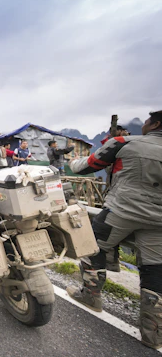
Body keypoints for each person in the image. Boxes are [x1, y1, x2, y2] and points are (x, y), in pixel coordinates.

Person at [65, 110, 162, 350]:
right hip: (159, 221)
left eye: (148, 121)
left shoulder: (124, 143)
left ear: (156, 124)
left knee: (92, 244)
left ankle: (91, 296)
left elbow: (84, 167)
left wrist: (70, 161)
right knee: (155, 269)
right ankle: (153, 334)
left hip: (121, 212)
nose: (145, 124)